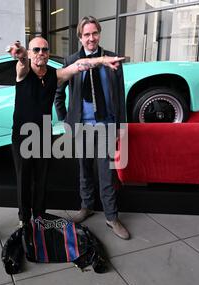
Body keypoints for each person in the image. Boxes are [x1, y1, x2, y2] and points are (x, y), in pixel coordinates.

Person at [8, 37, 124, 226]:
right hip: (23, 136)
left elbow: (79, 65)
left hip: (44, 134)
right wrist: (21, 57)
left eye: (44, 49)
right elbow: (22, 65)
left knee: (41, 179)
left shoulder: (55, 75)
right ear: (29, 53)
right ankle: (24, 219)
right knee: (24, 178)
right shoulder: (24, 72)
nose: (40, 53)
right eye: (35, 50)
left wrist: (103, 60)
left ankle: (38, 215)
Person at [54, 16, 130, 240]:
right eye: (86, 34)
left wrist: (120, 127)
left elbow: (119, 95)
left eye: (94, 33)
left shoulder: (112, 59)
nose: (91, 38)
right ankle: (86, 207)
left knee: (108, 174)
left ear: (99, 34)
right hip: (81, 127)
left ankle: (111, 216)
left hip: (106, 125)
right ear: (80, 37)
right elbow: (59, 94)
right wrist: (66, 120)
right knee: (84, 170)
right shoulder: (72, 60)